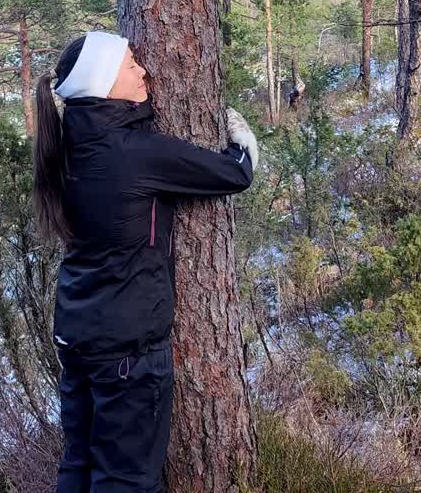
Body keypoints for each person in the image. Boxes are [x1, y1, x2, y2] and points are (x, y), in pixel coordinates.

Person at [32, 31, 261, 493]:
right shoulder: (133, 152)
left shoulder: (68, 145)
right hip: (125, 348)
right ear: (104, 83)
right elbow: (235, 173)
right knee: (127, 480)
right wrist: (244, 138)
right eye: (130, 65)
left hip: (76, 334)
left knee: (79, 463)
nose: (143, 72)